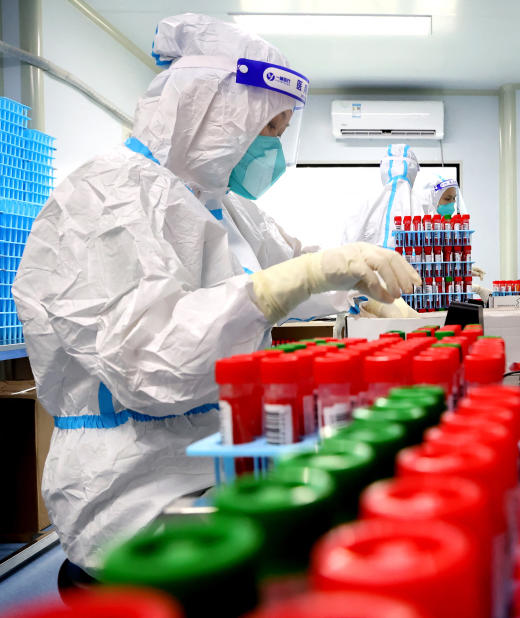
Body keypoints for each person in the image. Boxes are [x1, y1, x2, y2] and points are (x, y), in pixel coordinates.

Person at [11, 13, 419, 574]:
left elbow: (291, 264)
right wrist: (294, 282)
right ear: (213, 112)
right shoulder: (105, 197)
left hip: (216, 459)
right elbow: (148, 362)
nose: (274, 148)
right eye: (268, 127)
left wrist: (356, 288)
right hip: (131, 494)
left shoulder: (222, 204)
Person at [343, 143, 420, 248]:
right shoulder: (422, 205)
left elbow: (347, 247)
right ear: (414, 171)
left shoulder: (367, 206)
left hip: (371, 264)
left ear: (383, 169)